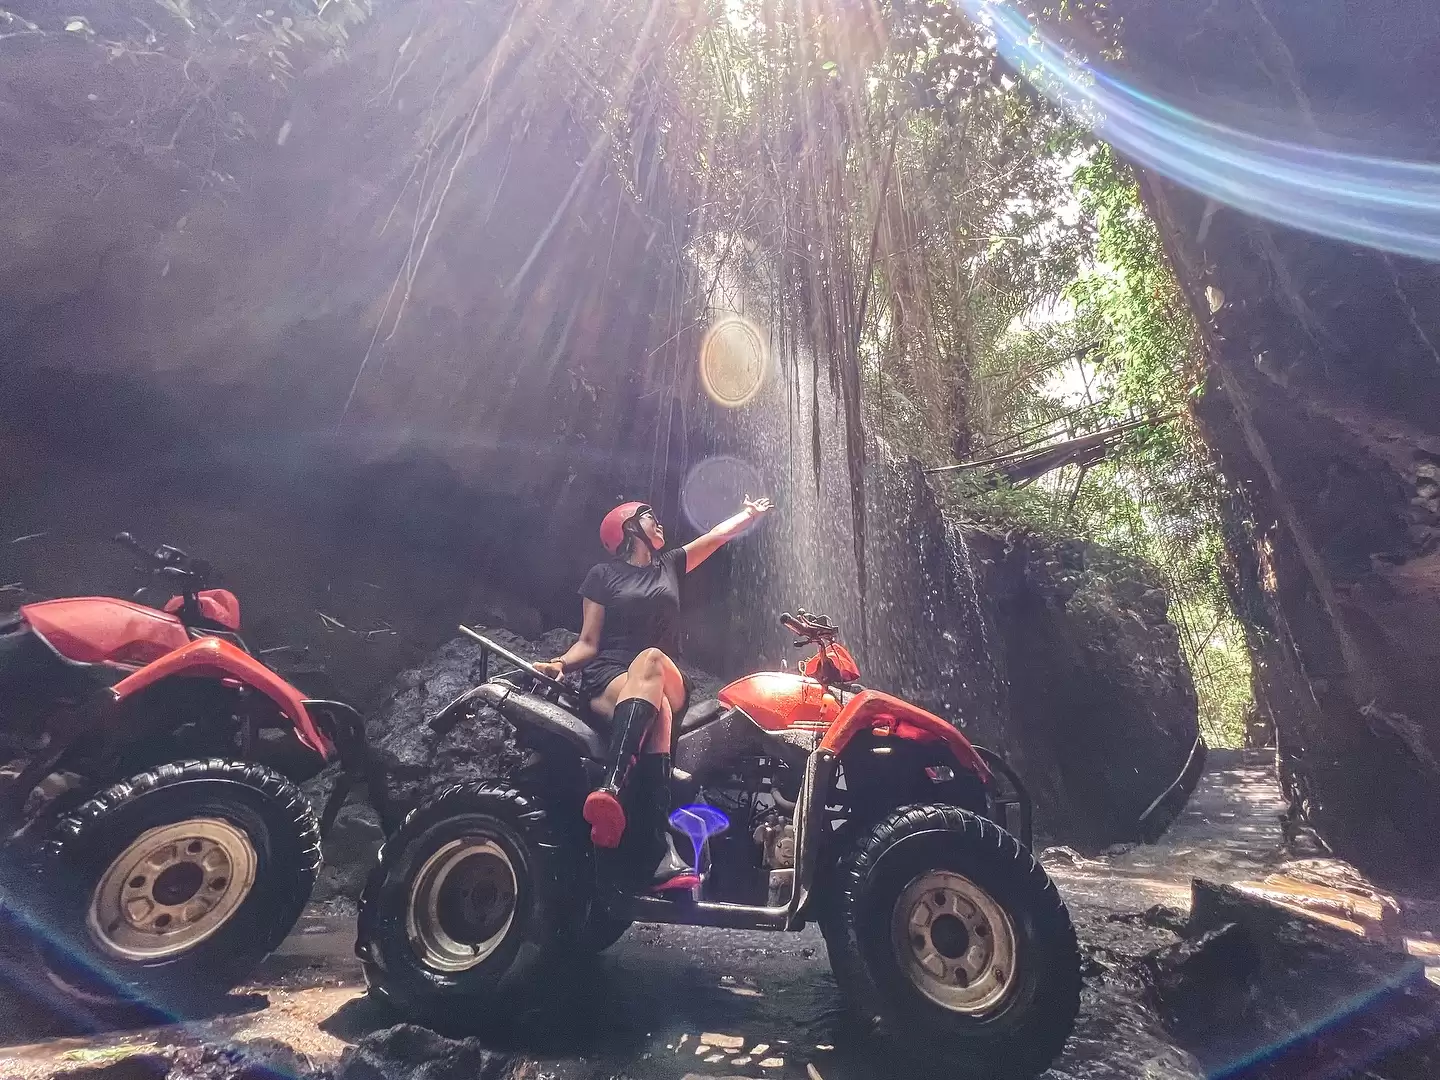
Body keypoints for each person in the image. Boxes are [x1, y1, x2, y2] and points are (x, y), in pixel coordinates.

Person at [534, 496, 772, 892]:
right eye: (650, 518)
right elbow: (589, 643)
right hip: (611, 674)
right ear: (629, 528)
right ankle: (660, 849)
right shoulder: (601, 575)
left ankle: (611, 787)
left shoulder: (672, 564)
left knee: (653, 661)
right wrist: (560, 663)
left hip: (663, 670)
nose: (659, 524)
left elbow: (716, 537)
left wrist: (748, 514)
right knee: (656, 708)